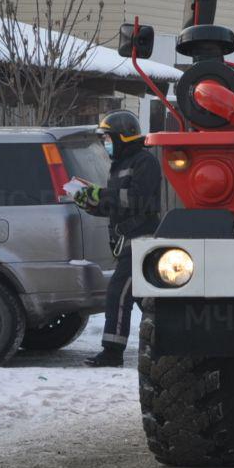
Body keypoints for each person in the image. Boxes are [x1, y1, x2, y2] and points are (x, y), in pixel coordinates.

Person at [75, 110, 162, 368]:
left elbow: (139, 200)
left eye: (109, 138)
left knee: (118, 293)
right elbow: (115, 205)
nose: (106, 144)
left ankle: (112, 352)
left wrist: (101, 194)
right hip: (126, 240)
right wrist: (90, 203)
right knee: (144, 300)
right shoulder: (120, 166)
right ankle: (165, 347)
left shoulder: (144, 162)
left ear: (124, 137)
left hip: (141, 239)